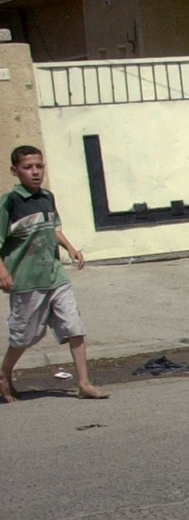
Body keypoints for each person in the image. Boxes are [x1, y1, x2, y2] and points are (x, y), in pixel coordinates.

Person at [1, 145, 107, 402]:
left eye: (39, 166)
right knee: (26, 335)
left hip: (54, 275)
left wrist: (70, 248)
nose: (35, 172)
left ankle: (84, 383)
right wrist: (2, 271)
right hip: (26, 280)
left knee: (74, 326)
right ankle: (4, 373)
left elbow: (53, 228)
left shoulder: (47, 197)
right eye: (28, 167)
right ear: (15, 171)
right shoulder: (10, 202)